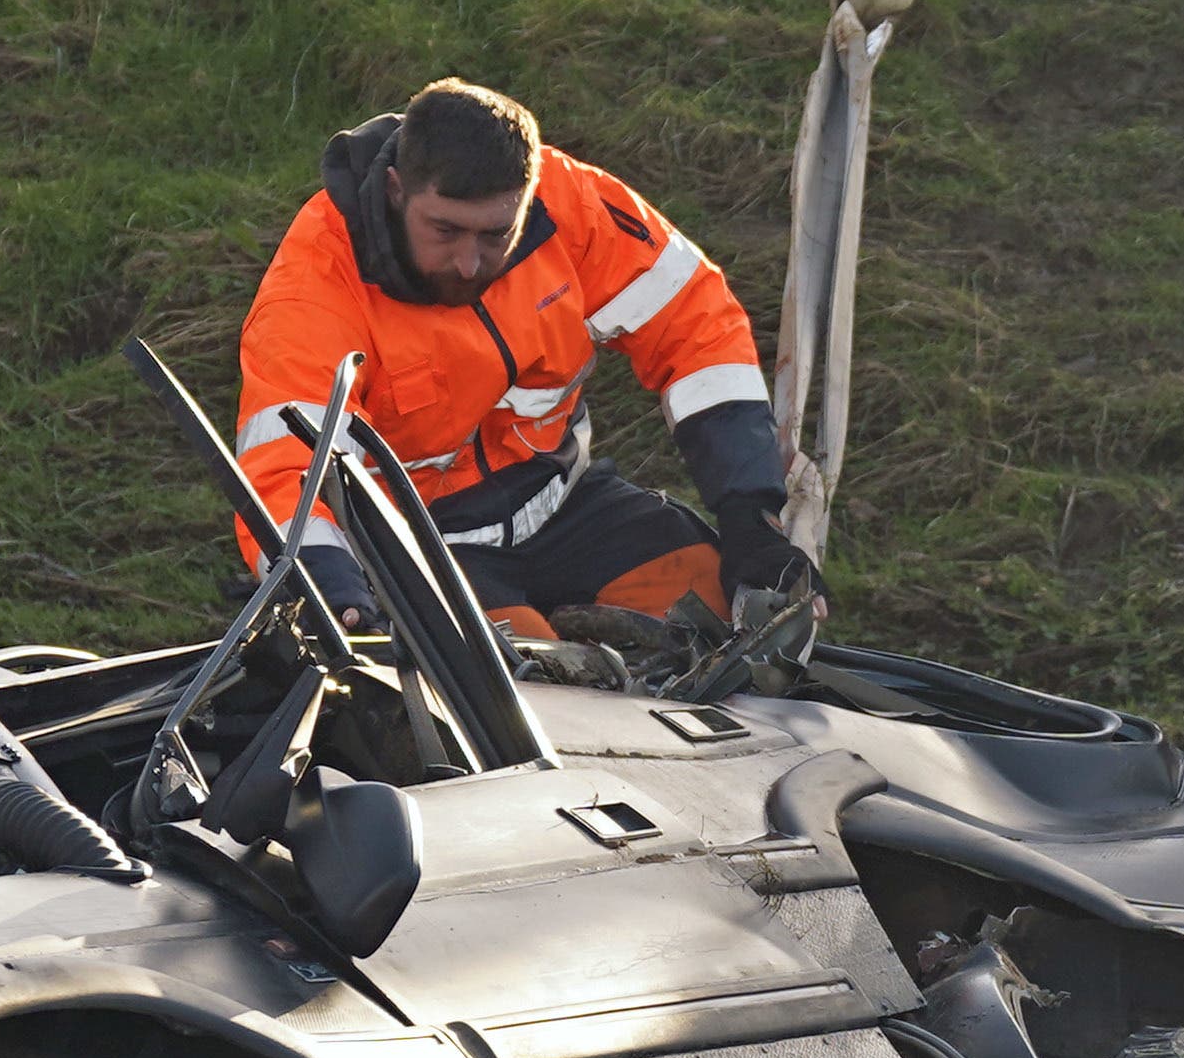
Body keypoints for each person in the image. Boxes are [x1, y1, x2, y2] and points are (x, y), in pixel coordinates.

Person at [232, 76, 812, 640]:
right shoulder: (316, 282)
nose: (468, 262)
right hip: (422, 546)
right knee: (530, 706)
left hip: (569, 506)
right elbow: (286, 470)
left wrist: (750, 518)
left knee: (738, 626)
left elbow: (699, 331)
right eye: (446, 230)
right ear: (394, 190)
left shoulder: (573, 205)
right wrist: (327, 587)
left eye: (495, 235)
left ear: (529, 196)